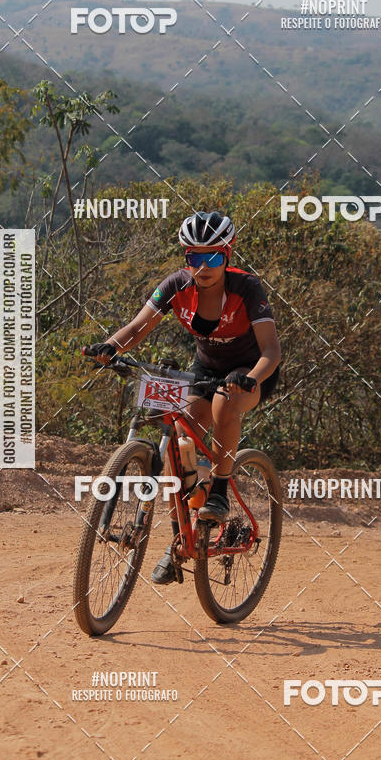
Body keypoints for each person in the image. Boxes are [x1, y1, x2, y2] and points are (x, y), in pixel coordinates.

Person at [91, 211, 281, 584]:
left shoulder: (247, 288)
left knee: (225, 402)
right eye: (195, 257)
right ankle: (180, 538)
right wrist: (109, 347)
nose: (204, 266)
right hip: (205, 369)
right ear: (186, 258)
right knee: (181, 441)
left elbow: (271, 352)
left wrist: (249, 379)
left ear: (227, 255)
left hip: (252, 371)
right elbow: (138, 327)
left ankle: (220, 490)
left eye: (213, 257)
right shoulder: (177, 285)